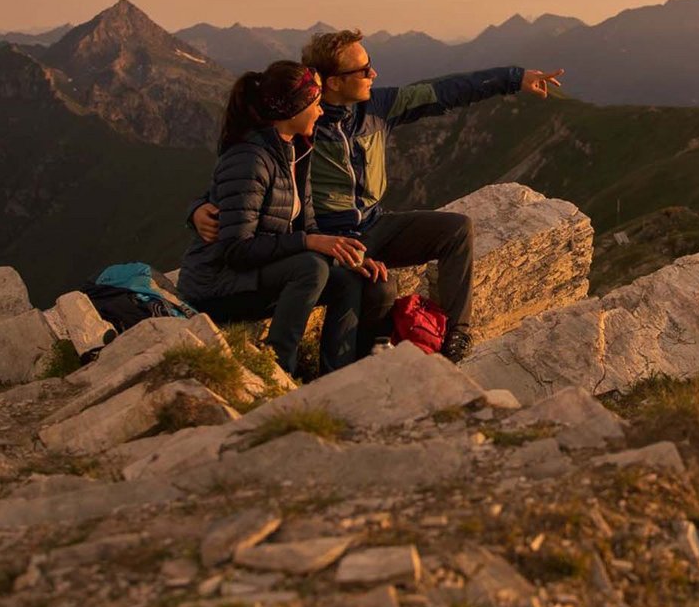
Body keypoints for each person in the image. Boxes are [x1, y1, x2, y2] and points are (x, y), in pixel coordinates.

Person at [194, 30, 563, 363]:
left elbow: (443, 91)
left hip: (374, 223)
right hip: (329, 238)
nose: (374, 73)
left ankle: (455, 337)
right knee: (378, 286)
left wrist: (514, 78)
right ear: (333, 82)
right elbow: (240, 176)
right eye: (363, 69)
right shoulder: (300, 120)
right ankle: (355, 368)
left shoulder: (376, 108)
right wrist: (197, 209)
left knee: (457, 229)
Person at [176, 60, 373, 378]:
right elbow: (236, 250)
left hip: (255, 276)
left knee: (347, 279)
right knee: (310, 266)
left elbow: (308, 226)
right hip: (216, 288)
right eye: (314, 102)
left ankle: (336, 377)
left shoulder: (296, 151)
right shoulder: (249, 159)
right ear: (292, 109)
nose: (320, 110)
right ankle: (278, 371)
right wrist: (309, 242)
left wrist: (346, 256)